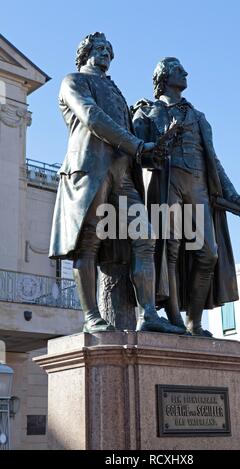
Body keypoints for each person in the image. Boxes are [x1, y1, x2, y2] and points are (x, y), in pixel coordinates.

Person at [49, 36, 185, 335]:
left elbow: (126, 131)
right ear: (84, 54)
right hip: (89, 169)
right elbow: (92, 117)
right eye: (99, 49)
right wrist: (138, 144)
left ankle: (148, 313)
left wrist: (150, 148)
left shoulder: (116, 91)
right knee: (88, 244)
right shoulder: (73, 81)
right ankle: (91, 316)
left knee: (145, 239)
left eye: (109, 51)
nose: (106, 54)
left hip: (123, 175)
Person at [132, 57, 240, 336]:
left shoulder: (198, 117)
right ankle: (174, 318)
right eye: (177, 70)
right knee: (168, 251)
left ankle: (193, 321)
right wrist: (160, 142)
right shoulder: (147, 112)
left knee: (209, 253)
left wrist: (233, 194)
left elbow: (214, 160)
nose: (185, 73)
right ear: (162, 77)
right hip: (167, 181)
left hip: (198, 185)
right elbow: (138, 154)